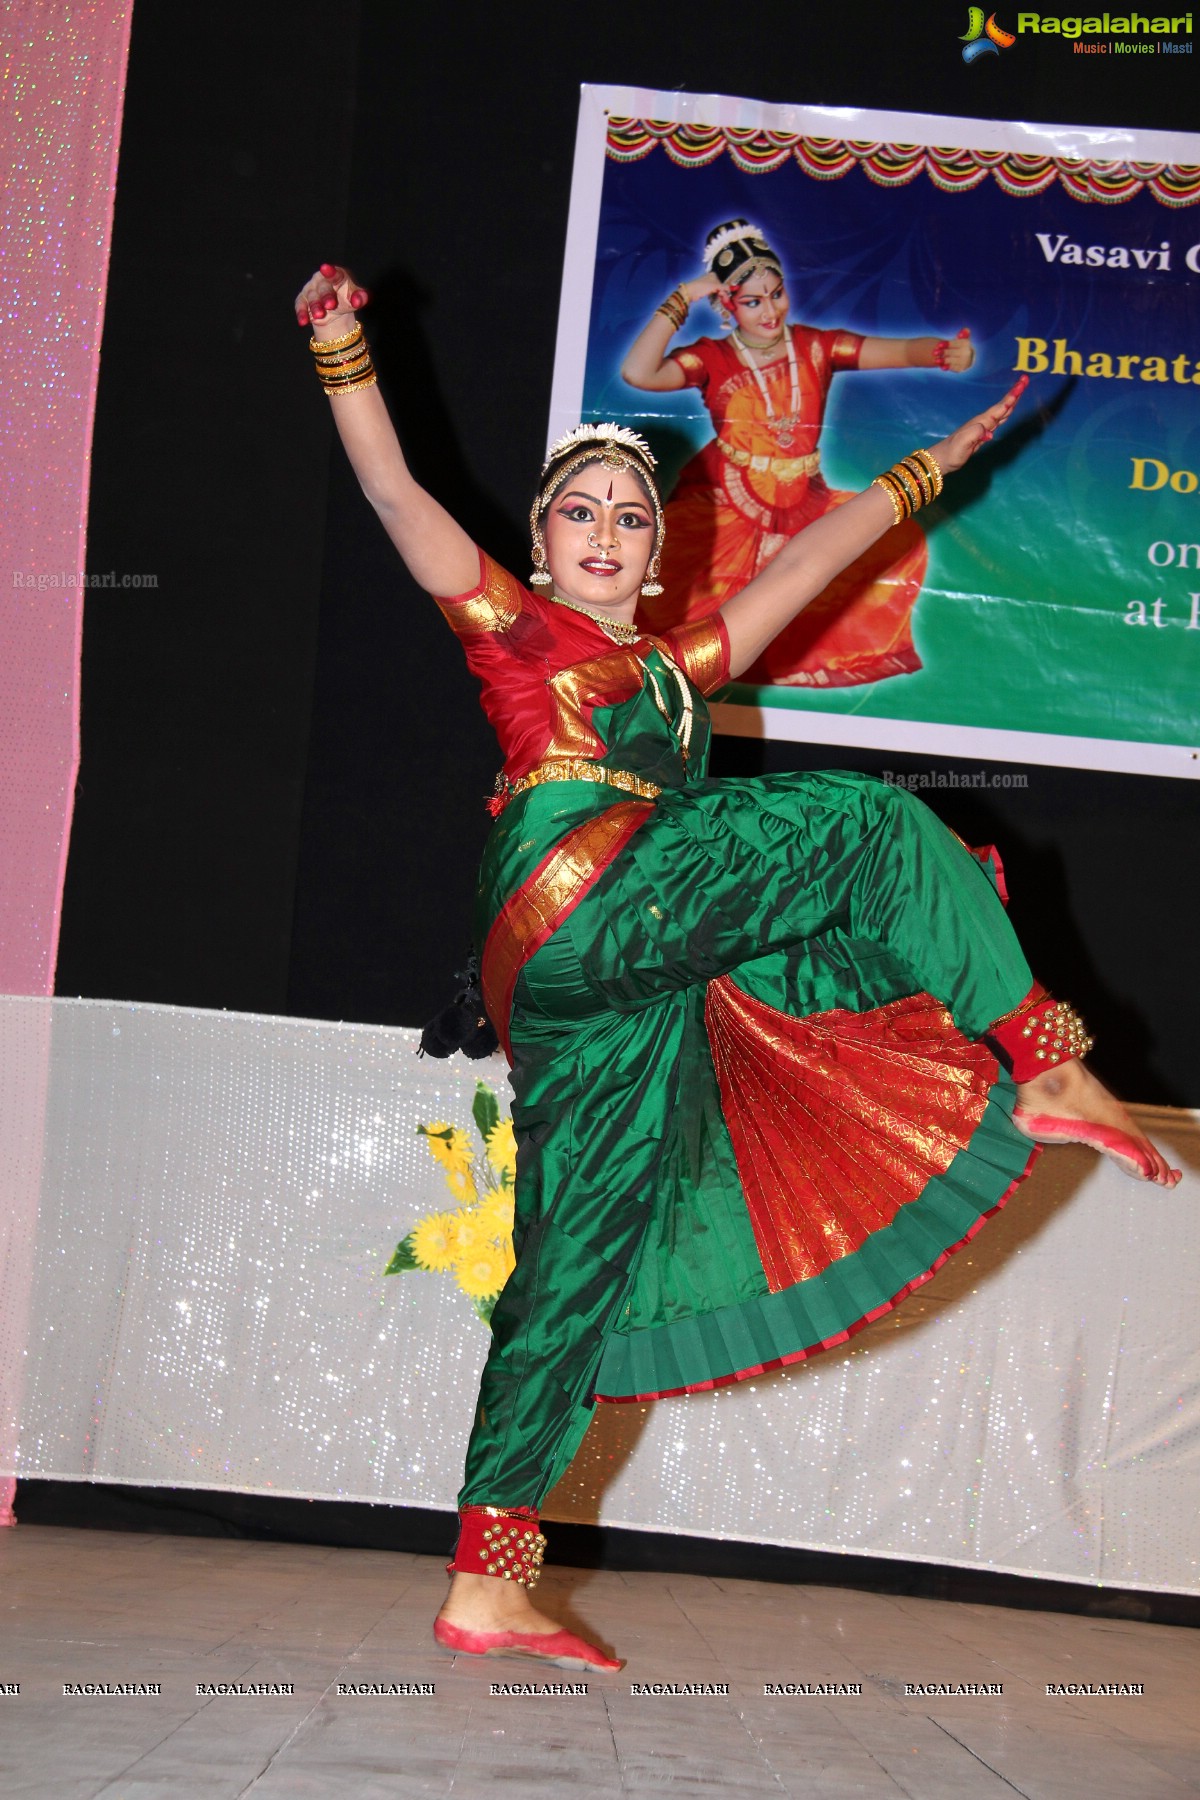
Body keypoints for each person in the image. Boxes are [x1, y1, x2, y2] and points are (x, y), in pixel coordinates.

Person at [294, 262, 1180, 1675]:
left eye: (629, 515)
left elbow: (810, 562)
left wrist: (931, 469)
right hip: (591, 898)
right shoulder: (519, 634)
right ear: (539, 545)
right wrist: (346, 351)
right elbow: (401, 497)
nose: (602, 528)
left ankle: (487, 1576)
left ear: (655, 557)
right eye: (576, 510)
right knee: (868, 822)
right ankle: (1048, 1061)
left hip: (600, 987)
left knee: (573, 1267)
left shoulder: (681, 665)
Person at [622, 219, 975, 687]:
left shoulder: (815, 347)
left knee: (902, 539)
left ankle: (798, 661)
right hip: (730, 506)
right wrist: (686, 295)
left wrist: (944, 352)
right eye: (752, 301)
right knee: (663, 574)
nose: (769, 311)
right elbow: (639, 373)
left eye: (776, 294)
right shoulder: (712, 357)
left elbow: (903, 350)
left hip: (807, 503)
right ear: (727, 304)